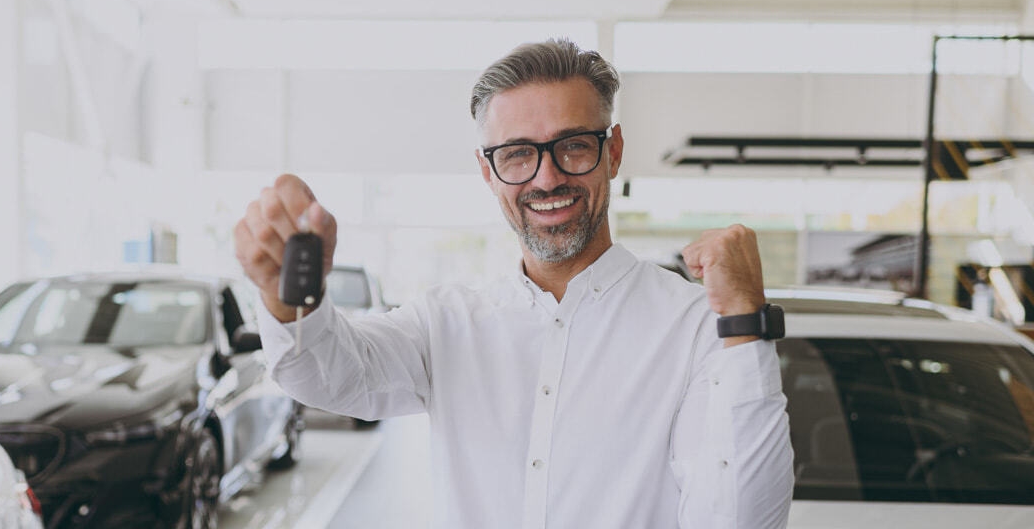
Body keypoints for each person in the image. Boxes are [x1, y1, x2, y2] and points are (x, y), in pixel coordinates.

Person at [234, 38, 793, 528]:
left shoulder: (697, 325)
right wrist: (285, 299)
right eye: (518, 154)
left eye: (574, 145)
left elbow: (738, 520)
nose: (547, 177)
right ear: (487, 171)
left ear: (613, 151)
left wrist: (745, 323)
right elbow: (327, 376)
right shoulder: (446, 319)